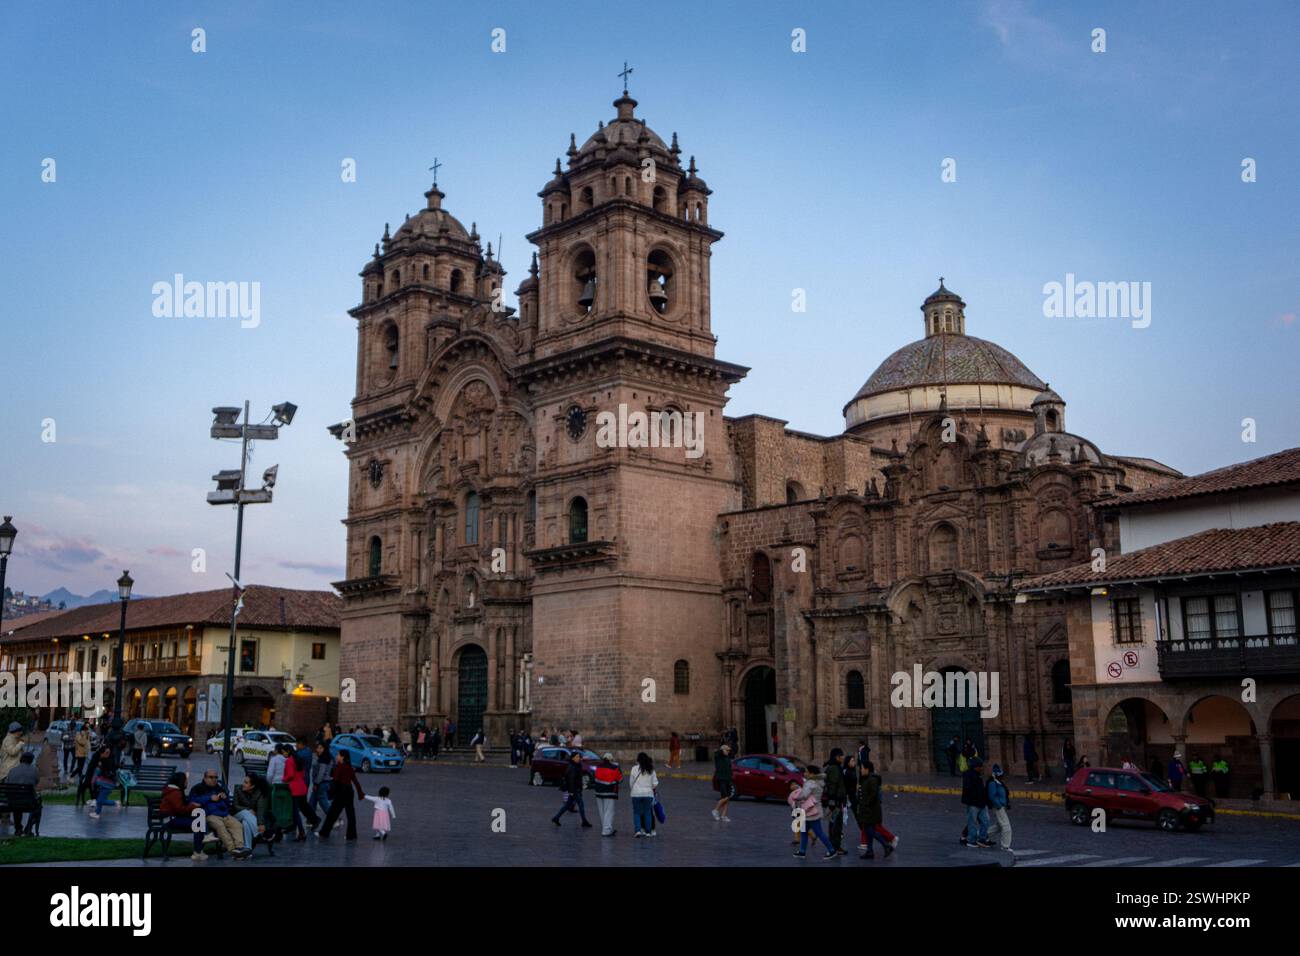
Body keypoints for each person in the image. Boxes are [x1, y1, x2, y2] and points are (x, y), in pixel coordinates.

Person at [189, 769, 246, 857]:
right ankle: (232, 850)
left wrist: (225, 798)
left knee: (237, 825)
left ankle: (240, 848)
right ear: (205, 778)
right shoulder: (198, 788)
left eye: (215, 777)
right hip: (210, 815)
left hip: (224, 814)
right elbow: (193, 801)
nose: (214, 779)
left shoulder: (219, 788)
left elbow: (227, 804)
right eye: (211, 777)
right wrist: (209, 798)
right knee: (220, 826)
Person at [789, 765, 836, 860]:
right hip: (812, 810)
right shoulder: (817, 782)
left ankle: (832, 851)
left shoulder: (810, 783)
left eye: (806, 772)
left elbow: (804, 795)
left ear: (811, 773)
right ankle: (802, 852)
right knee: (804, 831)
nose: (805, 773)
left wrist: (796, 797)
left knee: (819, 833)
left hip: (811, 812)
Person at [160, 772, 208, 861]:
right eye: (186, 780)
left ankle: (199, 850)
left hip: (172, 819)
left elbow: (180, 808)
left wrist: (192, 806)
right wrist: (193, 806)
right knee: (198, 825)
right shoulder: (175, 793)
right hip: (170, 820)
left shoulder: (173, 790)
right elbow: (180, 810)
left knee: (200, 821)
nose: (187, 783)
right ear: (181, 781)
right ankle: (198, 851)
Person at [318, 751, 365, 839]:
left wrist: (330, 794)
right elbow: (355, 781)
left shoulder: (339, 767)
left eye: (338, 755)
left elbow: (335, 781)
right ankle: (352, 835)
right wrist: (360, 793)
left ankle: (324, 833)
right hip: (349, 792)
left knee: (332, 814)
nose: (337, 756)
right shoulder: (350, 767)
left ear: (342, 757)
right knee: (350, 814)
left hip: (341, 792)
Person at [856, 760, 892, 860]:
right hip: (867, 809)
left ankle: (886, 845)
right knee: (868, 831)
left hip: (871, 810)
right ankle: (870, 851)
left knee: (870, 830)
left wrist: (866, 803)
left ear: (867, 769)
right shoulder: (866, 778)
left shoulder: (872, 779)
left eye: (862, 768)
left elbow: (873, 794)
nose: (861, 770)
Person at [284, 743, 320, 839]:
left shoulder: (289, 761)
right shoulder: (299, 760)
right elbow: (303, 774)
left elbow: (290, 775)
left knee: (295, 811)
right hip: (302, 787)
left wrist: (284, 778)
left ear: (287, 751)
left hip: (294, 788)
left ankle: (301, 832)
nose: (283, 754)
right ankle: (315, 819)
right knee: (304, 806)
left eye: (284, 752)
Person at [232, 774, 274, 852]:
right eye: (244, 782)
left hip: (249, 819)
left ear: (252, 786)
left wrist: (261, 823)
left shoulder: (259, 793)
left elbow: (261, 809)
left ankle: (247, 849)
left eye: (246, 782)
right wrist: (249, 810)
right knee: (245, 813)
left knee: (245, 823)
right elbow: (235, 806)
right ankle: (262, 834)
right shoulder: (238, 789)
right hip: (236, 816)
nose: (243, 784)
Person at [552, 751, 593, 828]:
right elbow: (571, 780)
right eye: (577, 757)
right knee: (581, 804)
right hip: (574, 790)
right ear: (573, 758)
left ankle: (556, 818)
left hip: (576, 789)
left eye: (579, 757)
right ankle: (584, 821)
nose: (578, 758)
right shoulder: (572, 766)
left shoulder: (576, 765)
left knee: (567, 805)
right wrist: (571, 791)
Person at [4, 752, 42, 835]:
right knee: (38, 806)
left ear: (21, 759)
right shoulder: (35, 770)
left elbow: (7, 783)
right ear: (31, 760)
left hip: (13, 802)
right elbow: (36, 782)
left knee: (17, 806)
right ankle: (28, 828)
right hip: (28, 802)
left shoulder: (13, 770)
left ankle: (18, 829)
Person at [960, 757, 991, 848]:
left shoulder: (978, 775)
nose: (982, 768)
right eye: (980, 766)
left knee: (985, 821)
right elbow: (969, 789)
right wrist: (975, 798)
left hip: (981, 802)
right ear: (975, 767)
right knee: (972, 822)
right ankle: (971, 840)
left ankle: (982, 839)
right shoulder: (968, 775)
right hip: (973, 803)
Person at [823, 748, 848, 855]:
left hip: (837, 801)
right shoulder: (834, 768)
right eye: (841, 755)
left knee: (834, 823)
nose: (842, 757)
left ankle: (833, 846)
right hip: (835, 802)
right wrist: (832, 801)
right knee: (836, 825)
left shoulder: (836, 767)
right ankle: (835, 847)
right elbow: (832, 785)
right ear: (836, 757)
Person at [629, 752, 659, 838]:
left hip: (636, 794)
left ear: (638, 760)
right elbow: (655, 783)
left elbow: (631, 782)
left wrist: (634, 789)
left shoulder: (634, 769)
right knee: (648, 813)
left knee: (637, 813)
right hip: (648, 794)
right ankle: (648, 832)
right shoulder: (651, 769)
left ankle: (638, 830)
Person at [592, 753, 623, 836]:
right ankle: (606, 830)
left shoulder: (598, 767)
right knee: (608, 812)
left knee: (602, 812)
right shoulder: (615, 767)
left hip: (598, 792)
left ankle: (605, 828)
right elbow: (620, 779)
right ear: (611, 759)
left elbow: (595, 777)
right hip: (609, 792)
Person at [985, 763, 1013, 853]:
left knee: (999, 826)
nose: (1002, 777)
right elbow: (992, 796)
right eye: (1001, 775)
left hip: (1001, 806)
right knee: (1006, 826)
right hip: (998, 807)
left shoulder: (998, 782)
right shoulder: (993, 783)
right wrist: (999, 805)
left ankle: (982, 835)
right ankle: (1005, 846)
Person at [88, 745, 120, 819]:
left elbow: (96, 773)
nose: (107, 754)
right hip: (107, 784)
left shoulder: (104, 761)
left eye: (108, 752)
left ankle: (115, 803)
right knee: (100, 800)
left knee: (100, 800)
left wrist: (93, 782)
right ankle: (97, 813)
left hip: (107, 784)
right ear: (102, 753)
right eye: (106, 752)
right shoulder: (106, 760)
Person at [308, 741, 333, 818]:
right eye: (317, 748)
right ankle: (311, 819)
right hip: (322, 783)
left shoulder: (324, 759)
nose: (318, 750)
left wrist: (316, 783)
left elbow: (321, 773)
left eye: (320, 748)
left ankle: (334, 818)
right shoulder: (325, 757)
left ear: (325, 749)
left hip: (321, 784)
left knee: (323, 802)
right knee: (312, 801)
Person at [712, 743, 734, 821]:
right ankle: (715, 810)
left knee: (727, 799)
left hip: (728, 780)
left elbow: (729, 769)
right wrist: (723, 749)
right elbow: (717, 752)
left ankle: (724, 816)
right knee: (725, 797)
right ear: (722, 750)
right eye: (727, 750)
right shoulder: (718, 756)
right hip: (721, 779)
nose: (728, 751)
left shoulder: (727, 758)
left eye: (729, 750)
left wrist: (731, 779)